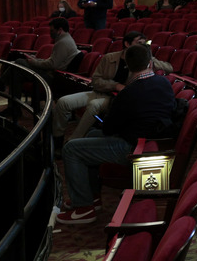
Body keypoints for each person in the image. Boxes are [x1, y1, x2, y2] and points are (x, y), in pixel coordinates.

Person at [56, 44, 177, 224]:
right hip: (154, 138)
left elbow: (109, 129)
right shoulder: (164, 82)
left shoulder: (128, 92)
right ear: (150, 63)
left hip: (133, 146)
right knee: (89, 135)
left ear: (128, 66)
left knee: (71, 149)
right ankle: (93, 197)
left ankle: (83, 208)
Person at [53, 31, 172, 144]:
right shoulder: (109, 58)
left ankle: (73, 140)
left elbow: (169, 68)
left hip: (118, 98)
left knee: (94, 105)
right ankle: (57, 140)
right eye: (139, 43)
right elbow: (96, 81)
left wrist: (148, 59)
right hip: (101, 91)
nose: (143, 46)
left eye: (144, 43)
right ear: (127, 43)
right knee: (63, 102)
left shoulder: (143, 58)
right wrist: (115, 85)